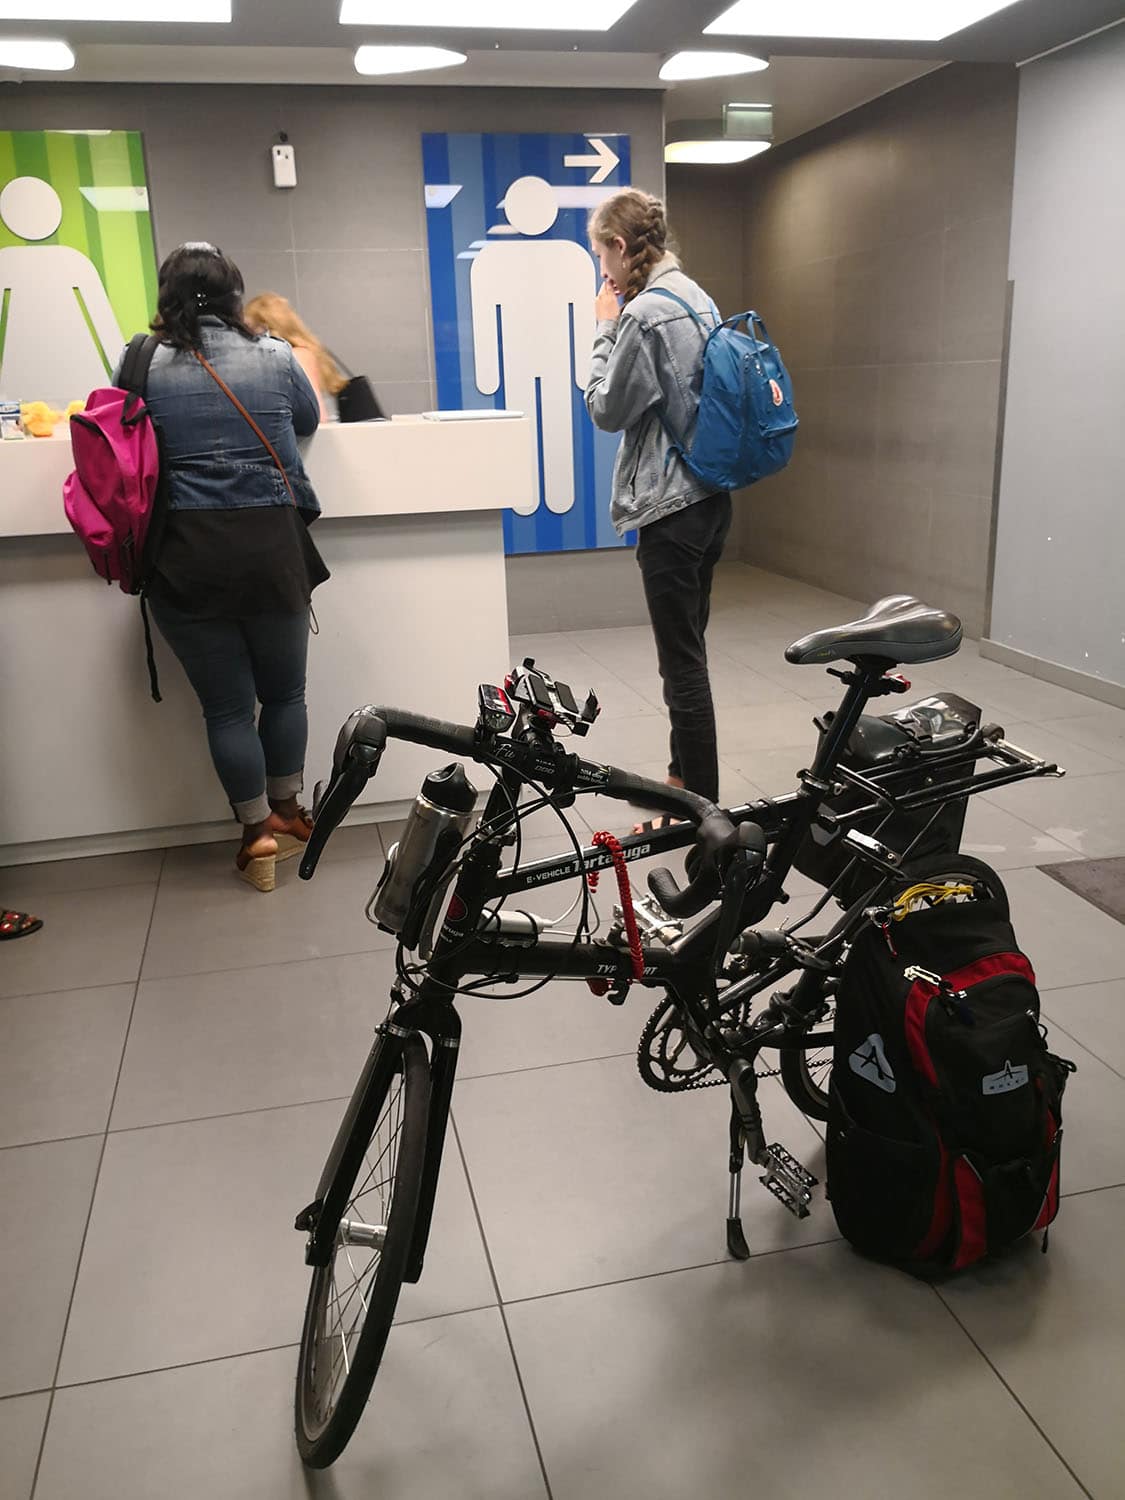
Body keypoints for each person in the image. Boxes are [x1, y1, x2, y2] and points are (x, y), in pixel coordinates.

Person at [120, 243, 330, 892]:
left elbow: (119, 437)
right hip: (271, 551)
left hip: (184, 556)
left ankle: (255, 832)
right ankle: (289, 809)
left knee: (228, 711)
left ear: (166, 296)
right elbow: (307, 419)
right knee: (285, 694)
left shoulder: (140, 360)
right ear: (235, 294)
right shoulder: (274, 355)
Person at [585, 189, 732, 820]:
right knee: (688, 653)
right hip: (710, 499)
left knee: (683, 667)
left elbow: (606, 407)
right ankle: (681, 780)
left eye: (602, 256)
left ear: (620, 247)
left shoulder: (644, 315)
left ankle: (703, 813)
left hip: (671, 509)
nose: (604, 271)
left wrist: (603, 327)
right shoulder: (698, 297)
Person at [243, 292, 346, 423]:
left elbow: (319, 415)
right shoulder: (307, 353)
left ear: (265, 328)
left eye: (249, 328)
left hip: (317, 434)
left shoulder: (298, 356)